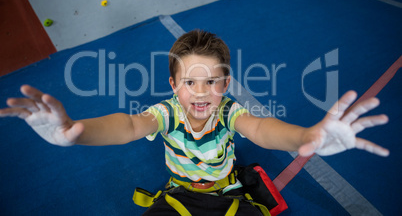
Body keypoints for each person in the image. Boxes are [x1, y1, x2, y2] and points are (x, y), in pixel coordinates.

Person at [0, 30, 390, 215]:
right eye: (190, 82)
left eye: (211, 82)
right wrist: (77, 134)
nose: (200, 93)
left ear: (225, 84)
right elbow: (129, 126)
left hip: (227, 193)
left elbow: (261, 129)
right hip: (181, 193)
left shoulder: (228, 111)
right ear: (174, 85)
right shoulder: (166, 112)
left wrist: (308, 135)